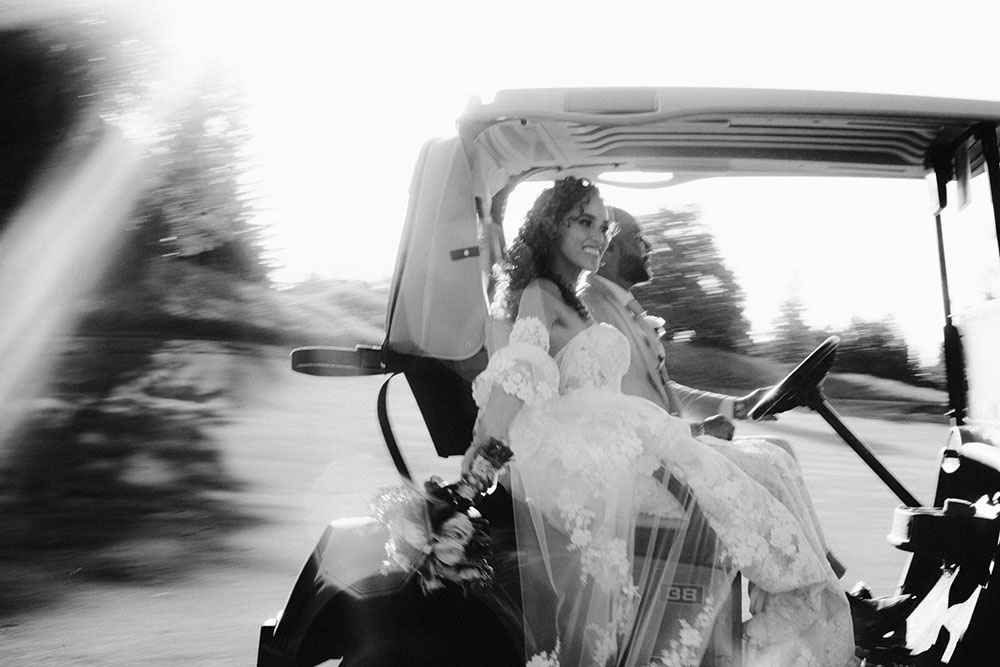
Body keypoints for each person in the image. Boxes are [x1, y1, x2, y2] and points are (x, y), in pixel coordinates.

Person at [463, 177, 856, 667]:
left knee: (762, 472)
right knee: (747, 479)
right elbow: (522, 371)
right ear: (551, 225)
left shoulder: (571, 299)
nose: (597, 235)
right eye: (584, 222)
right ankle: (778, 613)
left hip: (624, 431)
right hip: (591, 451)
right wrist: (485, 451)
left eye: (603, 226)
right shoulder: (541, 294)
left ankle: (792, 601)